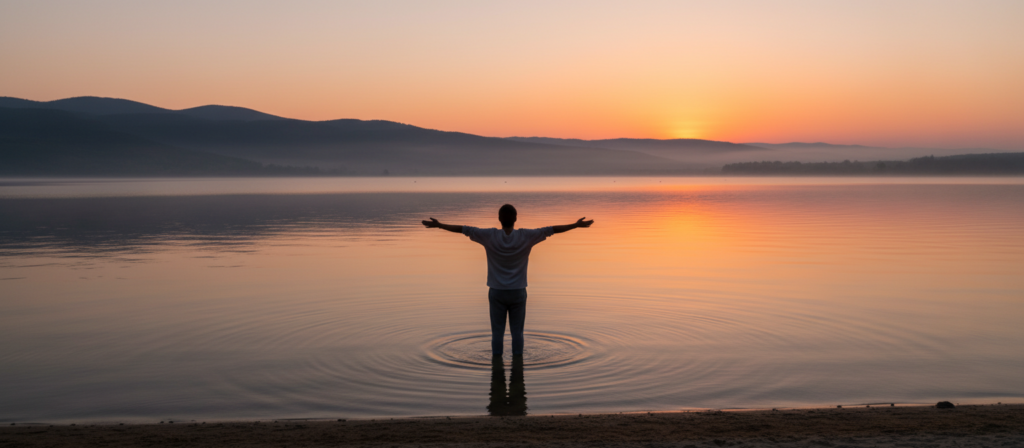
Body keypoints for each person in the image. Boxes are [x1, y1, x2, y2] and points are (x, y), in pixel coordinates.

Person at [422, 204, 593, 357]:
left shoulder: (489, 235)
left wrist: (440, 225)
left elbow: (463, 229)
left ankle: (497, 364)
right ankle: (518, 363)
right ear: (516, 219)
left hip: (496, 292)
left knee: (497, 333)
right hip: (518, 292)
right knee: (517, 333)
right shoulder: (526, 236)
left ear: (499, 219)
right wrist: (575, 225)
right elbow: (552, 229)